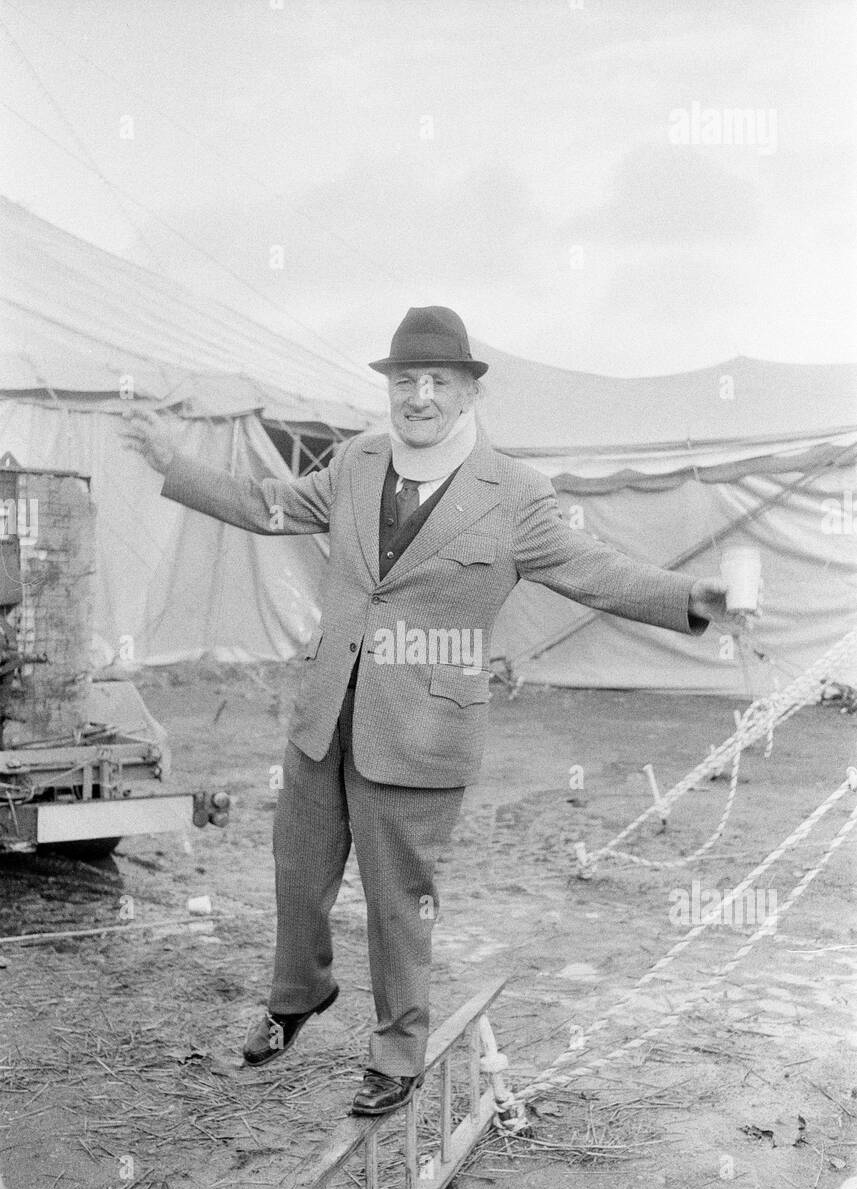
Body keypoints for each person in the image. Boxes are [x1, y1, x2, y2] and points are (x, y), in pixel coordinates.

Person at [122, 305, 730, 1116]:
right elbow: (270, 507)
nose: (418, 396)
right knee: (297, 870)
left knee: (396, 896)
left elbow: (591, 570)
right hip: (326, 713)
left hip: (422, 730)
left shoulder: (513, 493)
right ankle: (299, 992)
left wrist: (689, 596)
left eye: (436, 381)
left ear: (467, 392)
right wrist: (177, 463)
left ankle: (395, 1052)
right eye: (404, 379)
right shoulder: (355, 462)